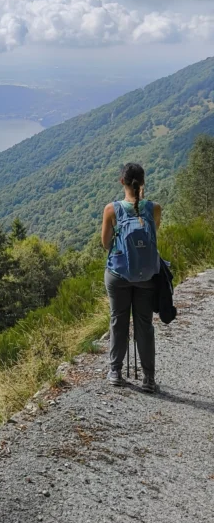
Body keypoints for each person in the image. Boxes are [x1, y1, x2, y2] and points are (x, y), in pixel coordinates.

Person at [101, 162, 161, 393]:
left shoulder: (111, 209)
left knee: (119, 320)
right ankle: (148, 379)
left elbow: (105, 243)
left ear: (121, 182)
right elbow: (152, 236)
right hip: (146, 275)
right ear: (142, 183)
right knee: (144, 325)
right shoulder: (155, 208)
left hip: (118, 274)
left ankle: (115, 371)